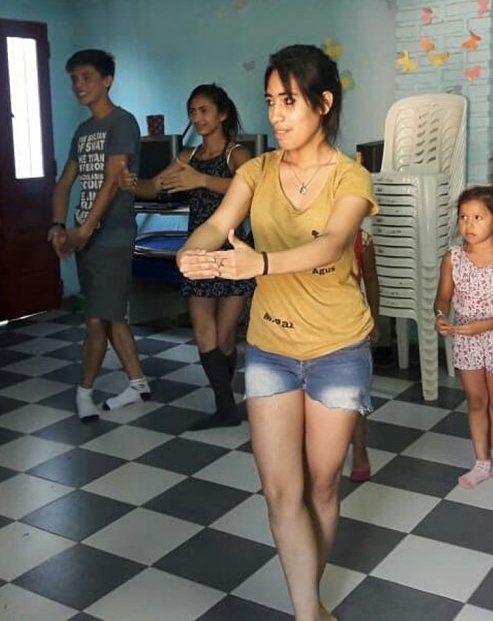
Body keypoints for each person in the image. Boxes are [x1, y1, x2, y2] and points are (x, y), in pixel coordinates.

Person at [177, 44, 377, 621]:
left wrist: (258, 264)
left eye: (289, 101)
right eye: (270, 102)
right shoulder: (255, 171)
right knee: (279, 491)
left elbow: (332, 244)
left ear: (323, 103)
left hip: (338, 349)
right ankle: (307, 611)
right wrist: (192, 255)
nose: (278, 115)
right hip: (271, 349)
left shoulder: (350, 176)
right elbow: (217, 224)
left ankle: (309, 597)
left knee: (320, 488)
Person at [125, 84, 254, 429]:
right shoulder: (187, 156)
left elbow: (252, 191)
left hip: (233, 253)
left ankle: (226, 406)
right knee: (203, 333)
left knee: (226, 337)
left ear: (222, 114)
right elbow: (155, 187)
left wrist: (202, 181)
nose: (197, 118)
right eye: (193, 112)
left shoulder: (237, 155)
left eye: (204, 111)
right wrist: (127, 181)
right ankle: (225, 408)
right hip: (197, 252)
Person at [49, 49, 149, 421]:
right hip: (84, 235)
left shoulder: (122, 123)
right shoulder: (83, 130)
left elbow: (112, 182)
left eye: (87, 77)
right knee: (111, 316)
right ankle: (138, 383)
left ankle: (84, 393)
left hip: (111, 235)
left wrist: (85, 230)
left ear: (107, 80)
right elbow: (63, 184)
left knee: (95, 318)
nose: (79, 85)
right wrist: (59, 227)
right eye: (74, 78)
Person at [434, 185, 493, 489]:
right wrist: (441, 317)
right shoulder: (453, 258)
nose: (468, 225)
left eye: (478, 217)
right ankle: (481, 462)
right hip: (466, 338)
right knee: (476, 400)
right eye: (463, 217)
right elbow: (443, 298)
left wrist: (483, 326)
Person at [349, 227, 380, 482]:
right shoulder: (305, 232)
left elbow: (370, 279)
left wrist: (374, 319)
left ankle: (360, 450)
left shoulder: (363, 240)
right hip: (310, 326)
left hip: (350, 324)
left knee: (356, 393)